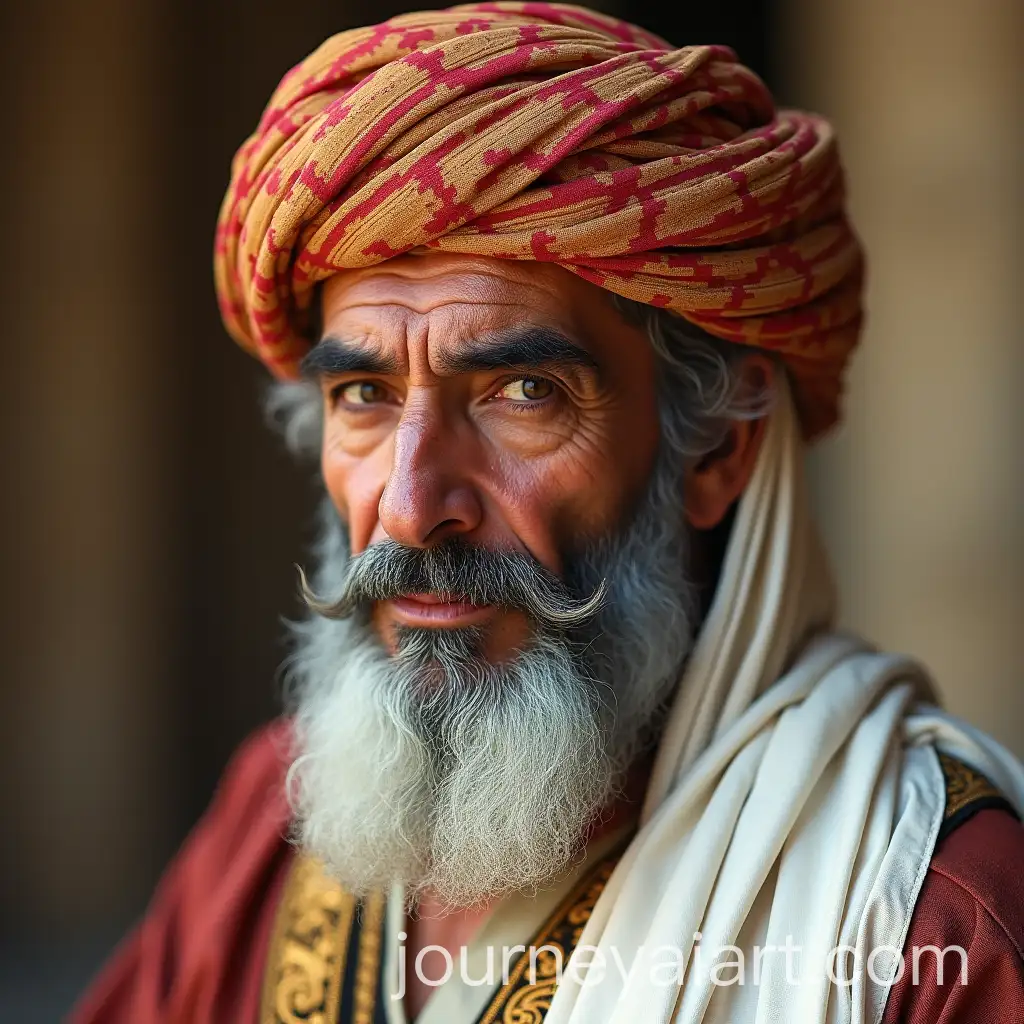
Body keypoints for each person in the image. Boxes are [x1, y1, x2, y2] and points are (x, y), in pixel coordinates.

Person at [73, 4, 1024, 1022]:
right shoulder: (273, 813)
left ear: (716, 446)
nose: (409, 506)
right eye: (365, 397)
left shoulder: (928, 913)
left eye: (522, 394)